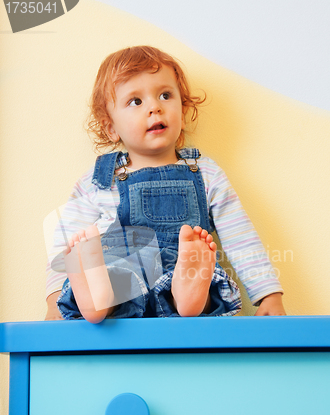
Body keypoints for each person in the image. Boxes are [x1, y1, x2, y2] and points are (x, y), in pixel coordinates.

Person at [45, 46, 285, 323]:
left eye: (165, 95)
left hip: (180, 274)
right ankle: (95, 293)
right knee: (98, 264)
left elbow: (240, 236)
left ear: (182, 111)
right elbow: (65, 242)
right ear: (111, 127)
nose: (154, 107)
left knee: (202, 282)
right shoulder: (98, 180)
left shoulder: (205, 172)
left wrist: (268, 295)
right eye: (135, 101)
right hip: (122, 283)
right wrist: (54, 303)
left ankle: (188, 286)